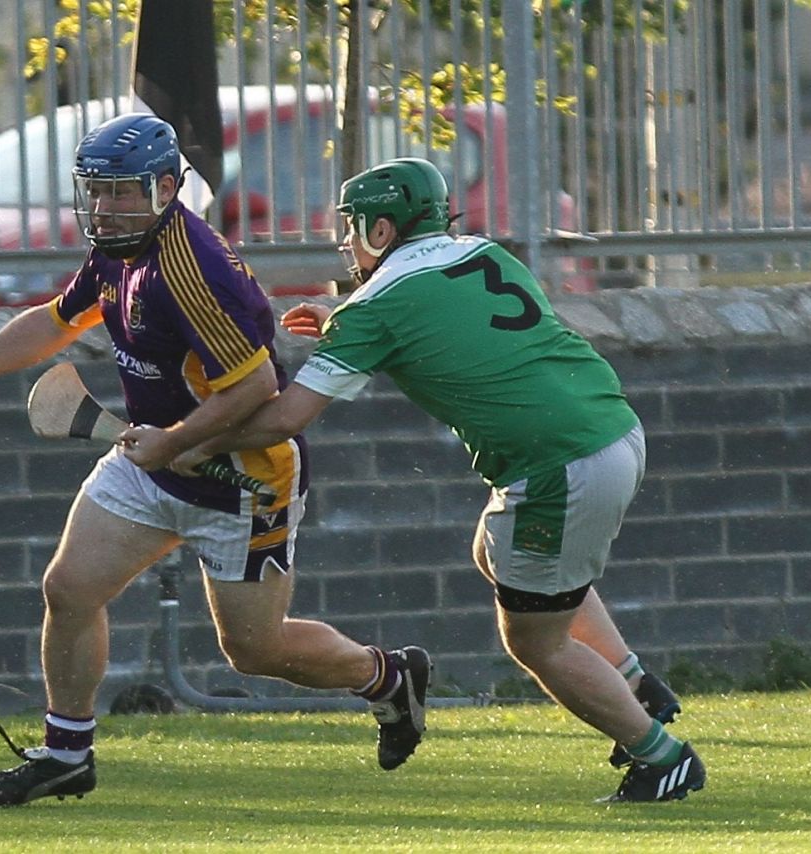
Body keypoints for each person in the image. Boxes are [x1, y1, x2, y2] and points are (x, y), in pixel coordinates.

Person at [122, 156, 706, 803]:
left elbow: (283, 418)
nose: (345, 241)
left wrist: (179, 440)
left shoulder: (374, 309)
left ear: (381, 228)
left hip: (556, 466)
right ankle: (631, 681)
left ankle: (662, 758)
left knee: (535, 642)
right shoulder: (483, 253)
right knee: (496, 552)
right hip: (613, 429)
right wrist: (345, 312)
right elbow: (439, 310)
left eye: (353, 227)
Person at [0, 114, 431, 807]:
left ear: (165, 187)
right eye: (95, 191)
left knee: (255, 651)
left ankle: (386, 677)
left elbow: (257, 388)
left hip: (241, 475)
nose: (104, 207)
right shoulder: (119, 248)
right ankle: (66, 754)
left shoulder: (190, 268)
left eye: (122, 192)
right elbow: (59, 320)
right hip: (152, 455)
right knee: (69, 588)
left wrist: (177, 442)